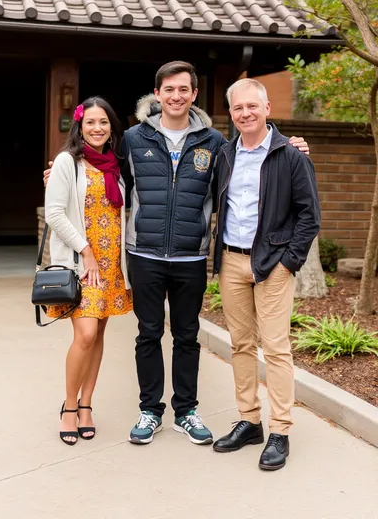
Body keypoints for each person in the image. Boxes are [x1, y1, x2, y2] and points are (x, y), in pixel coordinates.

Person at [44, 62, 309, 447]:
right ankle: (150, 410)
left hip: (190, 256)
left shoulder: (216, 143)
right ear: (157, 94)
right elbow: (100, 168)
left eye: (183, 89)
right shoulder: (134, 138)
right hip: (145, 254)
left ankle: (186, 411)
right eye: (168, 89)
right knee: (148, 335)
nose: (176, 96)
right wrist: (60, 170)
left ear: (194, 94)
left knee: (187, 336)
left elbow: (248, 172)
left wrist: (294, 147)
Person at [212, 78, 320, 470]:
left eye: (252, 106)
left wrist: (288, 260)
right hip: (232, 261)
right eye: (238, 108)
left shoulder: (290, 155)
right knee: (240, 345)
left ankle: (280, 430)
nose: (245, 113)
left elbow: (310, 216)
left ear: (267, 108)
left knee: (275, 348)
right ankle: (249, 421)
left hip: (272, 263)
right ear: (232, 113)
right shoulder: (225, 154)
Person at [44, 96, 132, 446]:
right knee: (84, 335)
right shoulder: (67, 162)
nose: (97, 129)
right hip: (84, 264)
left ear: (112, 129)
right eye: (91, 122)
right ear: (80, 126)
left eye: (104, 123)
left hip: (113, 265)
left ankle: (86, 405)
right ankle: (68, 407)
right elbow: (54, 214)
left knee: (98, 336)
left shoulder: (116, 164)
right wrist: (86, 253)